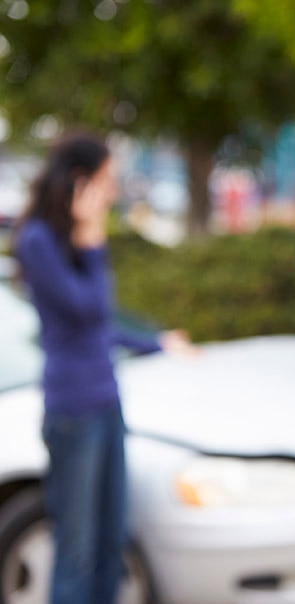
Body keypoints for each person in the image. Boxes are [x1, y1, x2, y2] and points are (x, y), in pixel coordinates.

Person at [13, 131, 195, 604]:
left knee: (111, 540)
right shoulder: (37, 241)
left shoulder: (73, 241)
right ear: (80, 183)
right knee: (77, 549)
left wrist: (156, 342)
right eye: (107, 180)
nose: (113, 191)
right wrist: (91, 238)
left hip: (107, 402)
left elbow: (101, 327)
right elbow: (84, 308)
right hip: (73, 411)